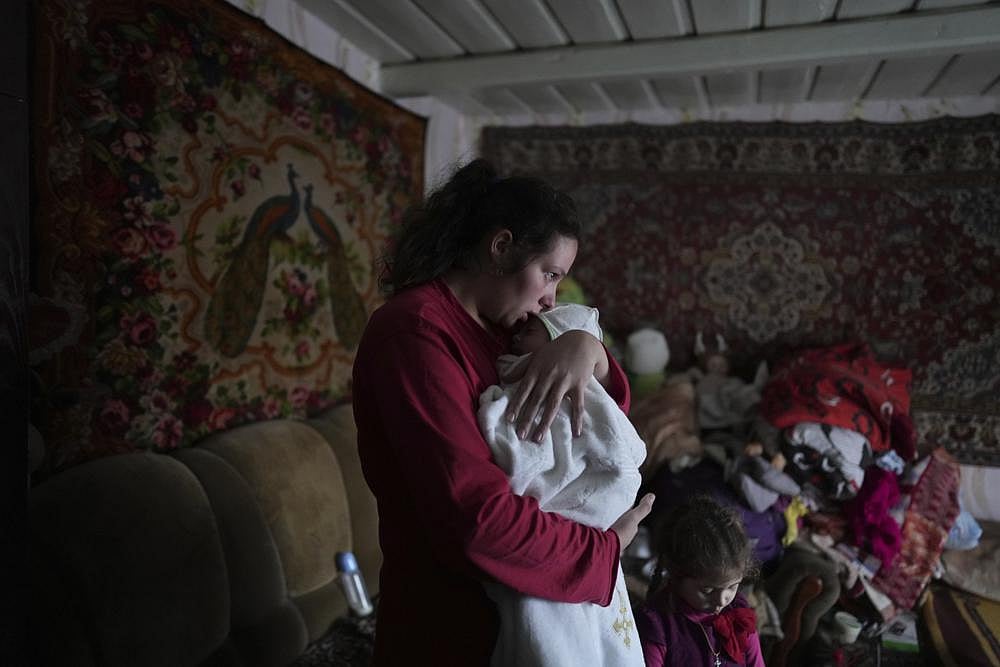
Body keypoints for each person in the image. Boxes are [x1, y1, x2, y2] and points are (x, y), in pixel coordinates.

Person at [352, 158, 655, 666]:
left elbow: (596, 428)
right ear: (500, 247)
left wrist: (588, 351)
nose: (550, 299)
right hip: (454, 630)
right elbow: (477, 520)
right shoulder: (414, 334)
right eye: (549, 274)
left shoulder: (506, 332)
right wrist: (603, 552)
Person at [477, 303, 647, 666]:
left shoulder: (566, 385)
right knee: (555, 638)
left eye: (535, 330)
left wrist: (587, 347)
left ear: (556, 342)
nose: (522, 329)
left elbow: (616, 446)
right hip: (558, 543)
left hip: (581, 532)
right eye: (549, 274)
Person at [635, 495, 765, 667]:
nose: (722, 600)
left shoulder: (738, 610)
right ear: (677, 575)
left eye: (733, 587)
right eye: (708, 590)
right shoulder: (656, 625)